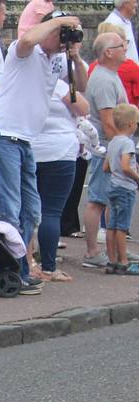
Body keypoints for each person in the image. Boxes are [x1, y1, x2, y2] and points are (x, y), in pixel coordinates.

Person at [0, 11, 87, 295]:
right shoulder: (23, 52)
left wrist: (74, 55)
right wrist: (57, 22)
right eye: (60, 32)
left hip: (25, 141)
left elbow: (82, 88)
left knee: (32, 211)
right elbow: (28, 38)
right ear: (47, 29)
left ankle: (22, 270)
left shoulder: (57, 60)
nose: (62, 37)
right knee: (10, 210)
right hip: (3, 136)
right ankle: (7, 273)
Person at [32, 75, 90, 282]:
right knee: (51, 212)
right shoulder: (57, 85)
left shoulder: (19, 82)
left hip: (29, 148)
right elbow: (83, 108)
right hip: (59, 150)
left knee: (25, 211)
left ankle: (26, 264)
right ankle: (48, 267)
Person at [82, 33, 129, 269]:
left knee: (110, 201)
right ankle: (92, 252)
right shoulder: (103, 80)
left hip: (110, 146)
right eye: (122, 45)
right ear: (109, 52)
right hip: (106, 148)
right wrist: (120, 150)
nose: (126, 48)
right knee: (98, 200)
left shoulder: (109, 76)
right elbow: (108, 121)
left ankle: (114, 253)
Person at [102, 103, 139, 273]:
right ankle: (123, 261)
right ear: (131, 124)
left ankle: (111, 260)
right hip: (125, 188)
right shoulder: (128, 144)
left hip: (113, 186)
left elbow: (106, 167)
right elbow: (126, 166)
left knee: (111, 225)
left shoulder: (113, 142)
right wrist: (136, 177)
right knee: (122, 227)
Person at [104, 0, 139, 66]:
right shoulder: (113, 24)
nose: (136, 5)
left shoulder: (125, 20)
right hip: (122, 72)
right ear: (125, 4)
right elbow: (110, 54)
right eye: (135, 2)